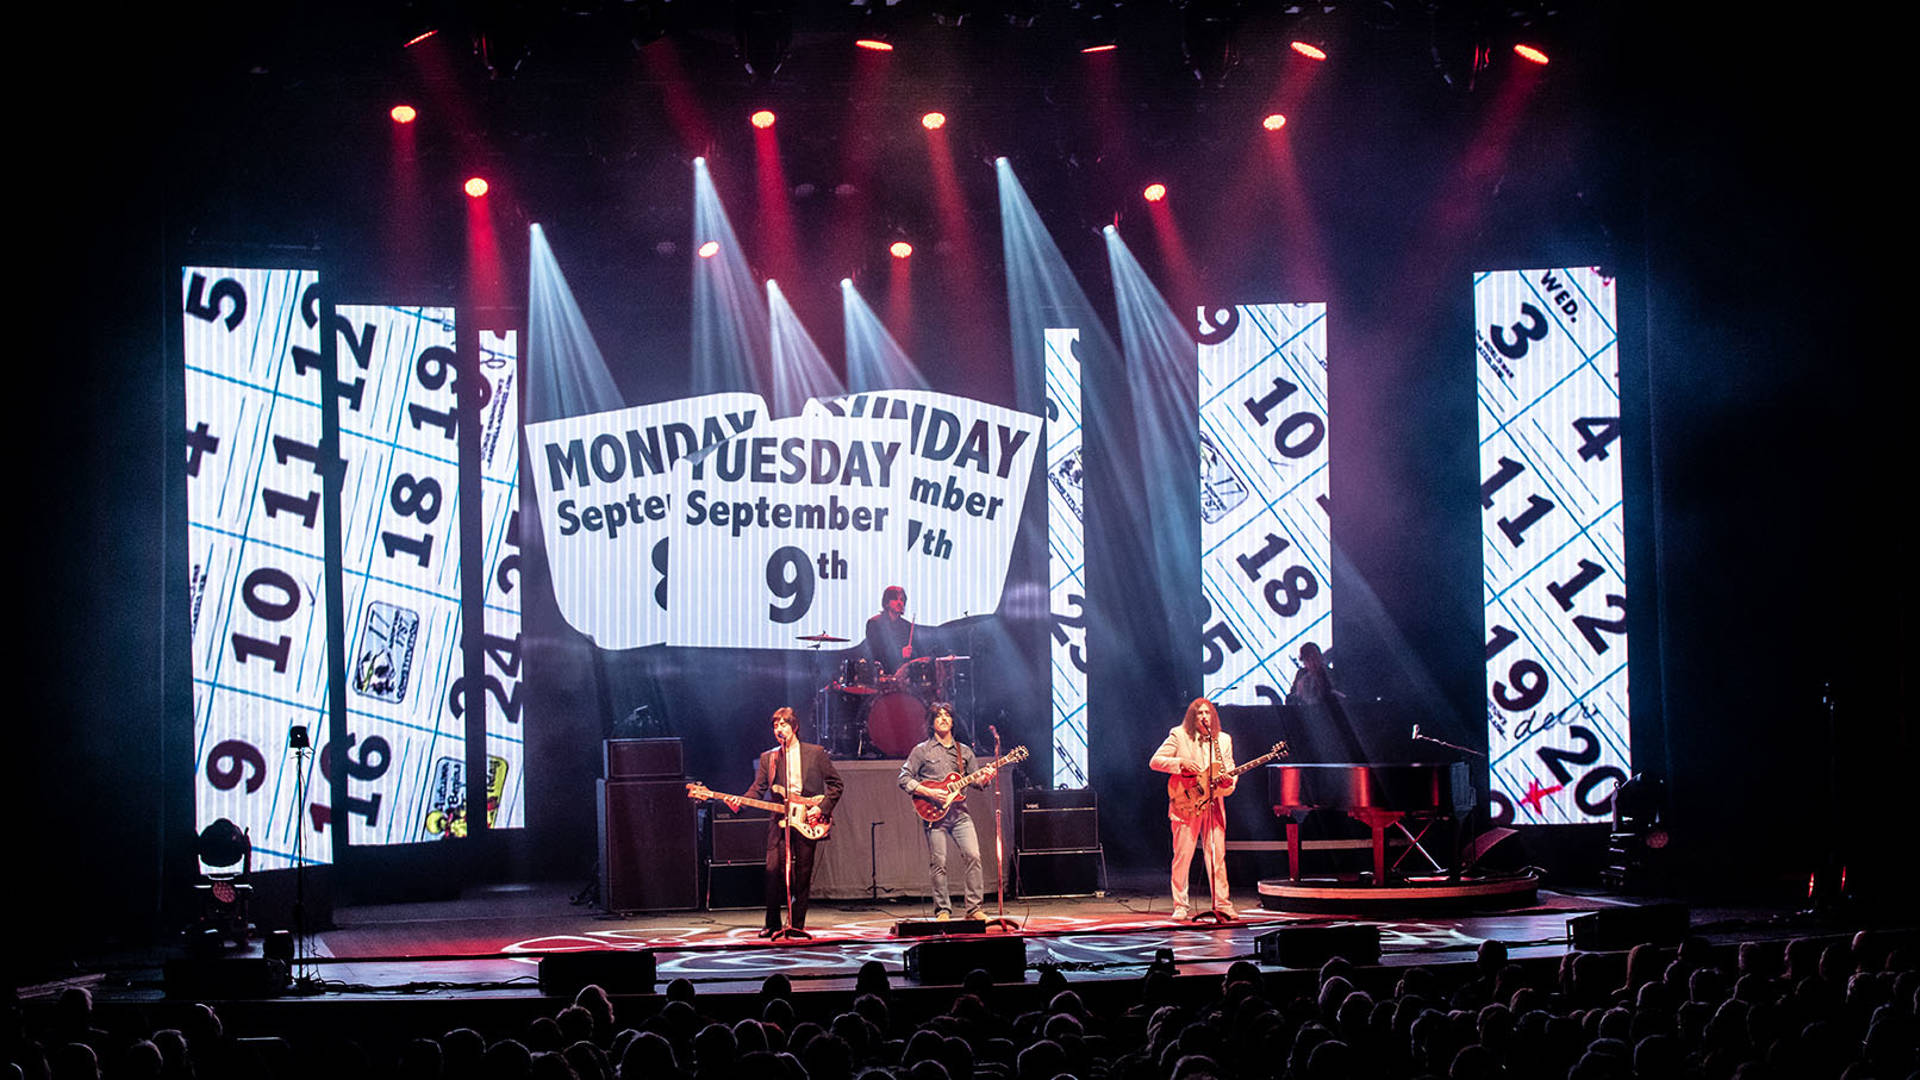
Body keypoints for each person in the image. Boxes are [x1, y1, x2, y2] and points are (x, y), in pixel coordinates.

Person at [726, 707, 844, 936]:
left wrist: (820, 808)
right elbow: (758, 789)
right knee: (772, 870)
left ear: (794, 726)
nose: (779, 729)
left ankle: (796, 924)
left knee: (803, 871)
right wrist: (739, 803)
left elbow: (836, 784)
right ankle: (772, 923)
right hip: (779, 818)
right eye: (775, 725)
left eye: (783, 724)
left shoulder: (815, 753)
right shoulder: (768, 758)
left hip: (807, 818)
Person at [897, 703, 995, 920]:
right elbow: (903, 778)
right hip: (934, 816)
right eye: (938, 716)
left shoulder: (964, 751)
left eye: (947, 715)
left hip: (960, 814)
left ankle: (974, 909)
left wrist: (985, 777)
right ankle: (942, 910)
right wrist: (929, 793)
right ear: (931, 723)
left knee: (973, 856)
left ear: (952, 721)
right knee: (939, 862)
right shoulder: (921, 750)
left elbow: (976, 781)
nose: (943, 718)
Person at [1148, 697, 1237, 920]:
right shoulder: (1179, 735)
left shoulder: (1223, 740)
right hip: (1186, 804)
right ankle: (1181, 905)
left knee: (1217, 855)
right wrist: (1181, 763)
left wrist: (1229, 783)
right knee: (1183, 855)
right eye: (1200, 713)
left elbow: (1230, 768)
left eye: (1207, 713)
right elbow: (1155, 761)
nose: (1204, 717)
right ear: (1192, 717)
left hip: (1213, 803)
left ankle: (1222, 904)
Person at [864, 585, 916, 675]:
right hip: (881, 673)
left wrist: (911, 653)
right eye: (895, 599)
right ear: (886, 603)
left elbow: (914, 653)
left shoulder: (907, 626)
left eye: (902, 600)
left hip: (903, 674)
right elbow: (876, 652)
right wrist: (900, 654)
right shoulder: (874, 623)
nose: (900, 603)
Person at [1286, 641, 1339, 706]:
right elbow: (1290, 700)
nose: (1312, 662)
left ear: (1320, 657)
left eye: (1315, 658)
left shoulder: (1330, 674)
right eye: (1308, 659)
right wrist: (1298, 693)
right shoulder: (1301, 674)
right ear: (1304, 662)